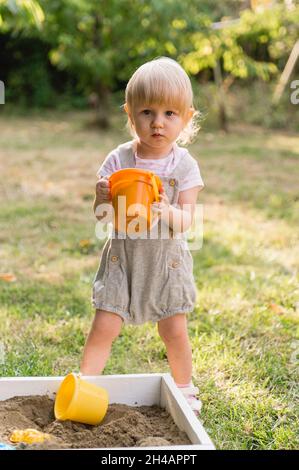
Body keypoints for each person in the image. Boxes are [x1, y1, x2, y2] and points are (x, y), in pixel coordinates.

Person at [80, 57, 205, 415]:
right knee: (104, 324)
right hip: (123, 258)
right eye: (147, 112)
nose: (157, 123)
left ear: (187, 118)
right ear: (130, 113)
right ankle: (85, 383)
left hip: (166, 261)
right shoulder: (119, 159)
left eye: (170, 114)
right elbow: (101, 215)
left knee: (174, 329)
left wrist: (165, 210)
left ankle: (184, 389)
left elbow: (187, 221)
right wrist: (101, 197)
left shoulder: (183, 166)